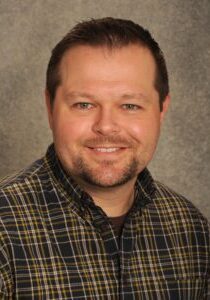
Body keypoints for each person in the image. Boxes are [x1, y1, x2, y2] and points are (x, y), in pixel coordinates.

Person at [0, 17, 209, 299]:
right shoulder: (4, 230)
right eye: (84, 104)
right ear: (50, 108)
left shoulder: (193, 231)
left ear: (161, 110)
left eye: (130, 105)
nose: (107, 125)